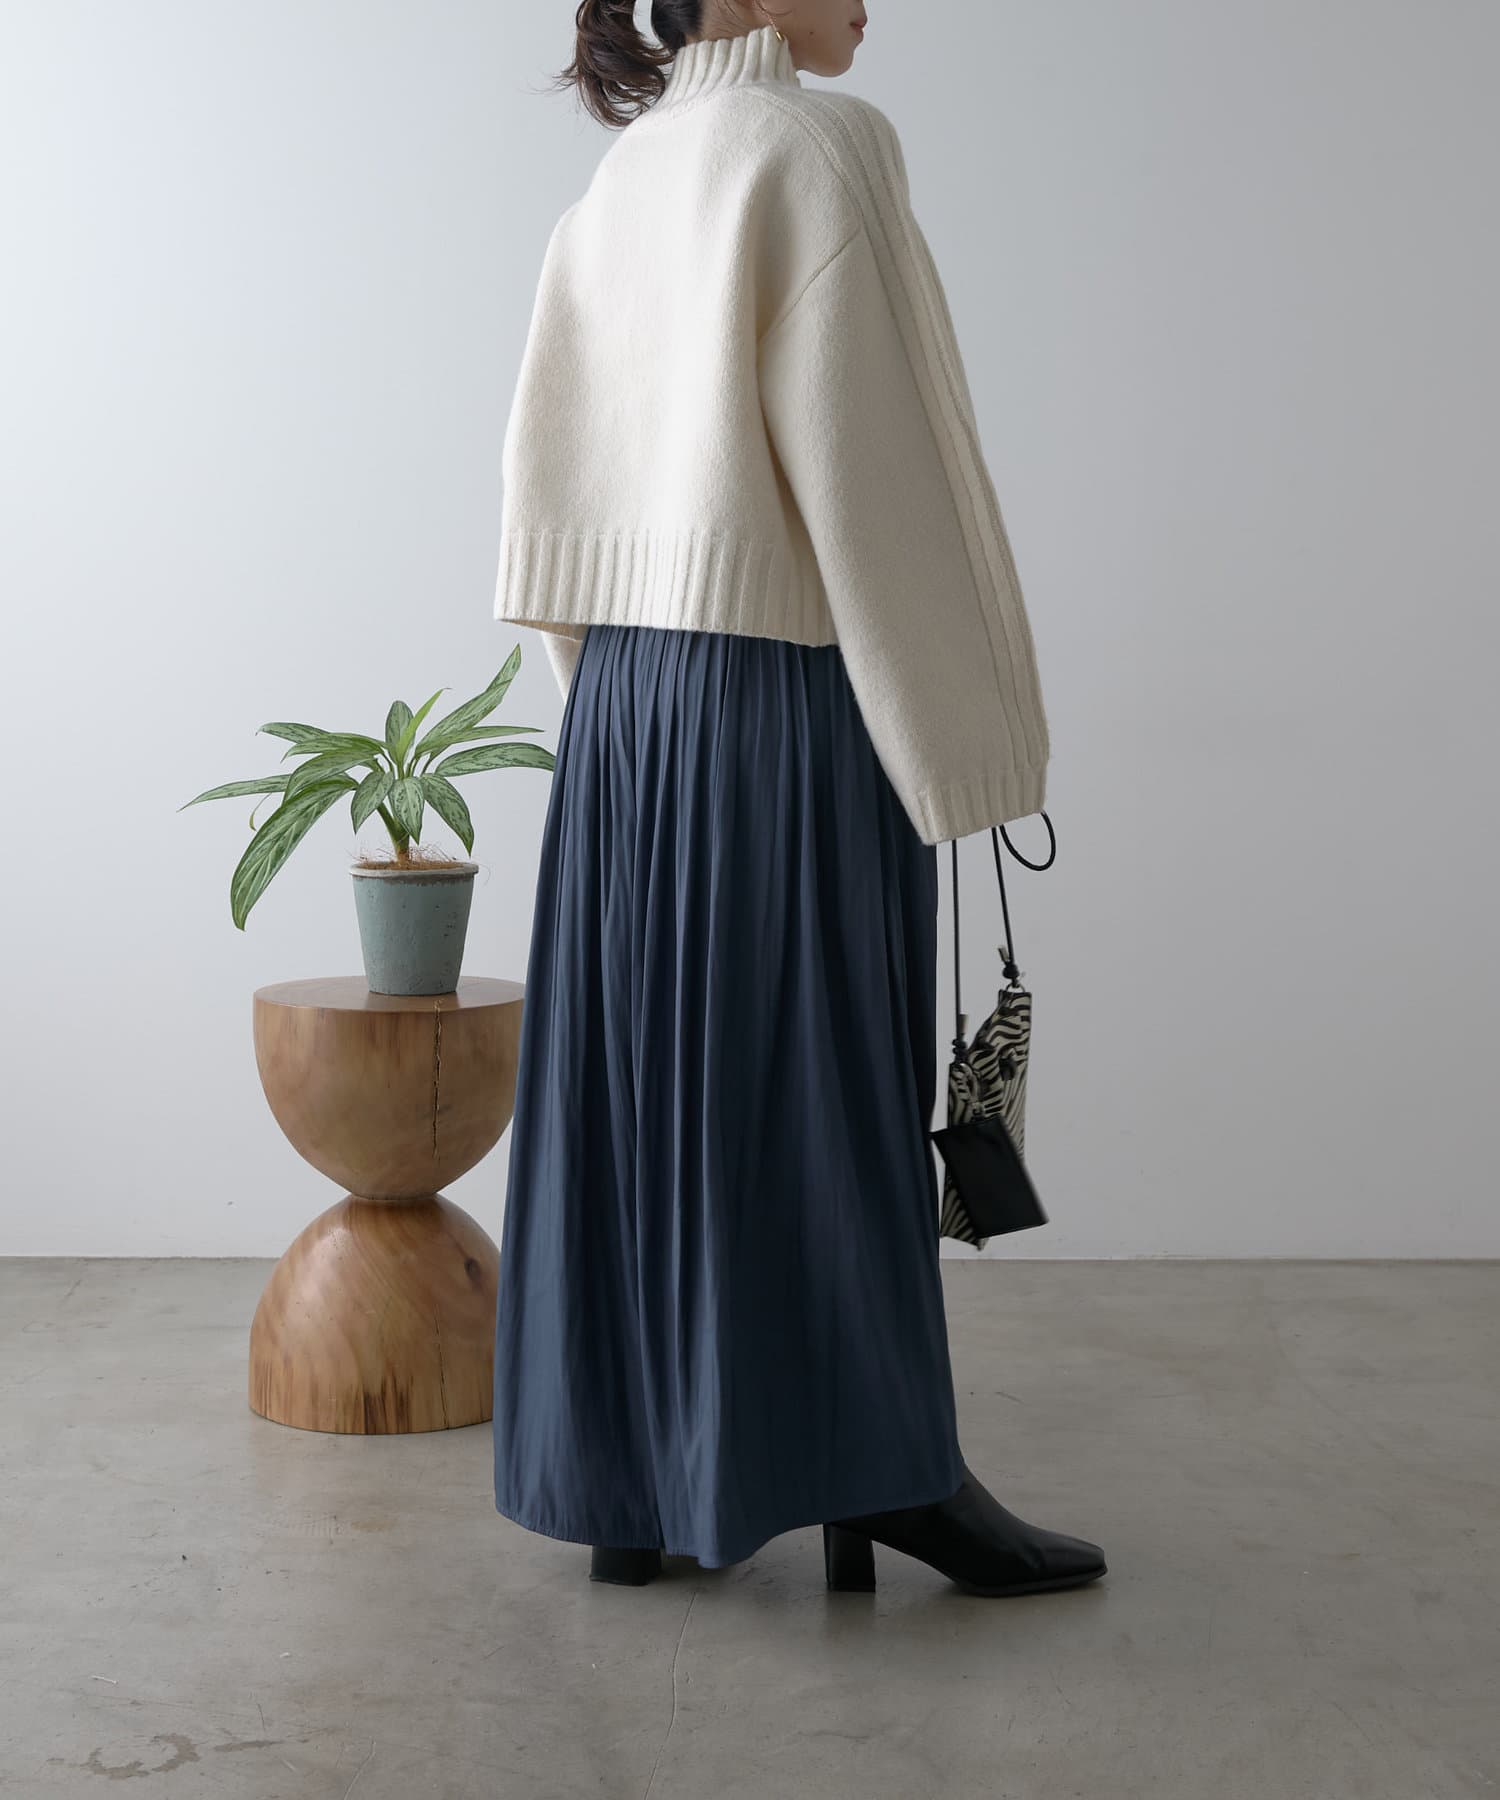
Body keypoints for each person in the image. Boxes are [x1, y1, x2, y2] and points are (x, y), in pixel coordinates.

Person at [489, 0, 1106, 1599]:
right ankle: (883, 1472)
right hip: (788, 696)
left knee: (647, 1088)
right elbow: (890, 484)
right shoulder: (823, 149)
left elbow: (550, 486)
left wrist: (618, 710)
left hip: (625, 715)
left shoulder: (623, 180)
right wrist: (966, 747)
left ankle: (637, 1483)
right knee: (821, 1087)